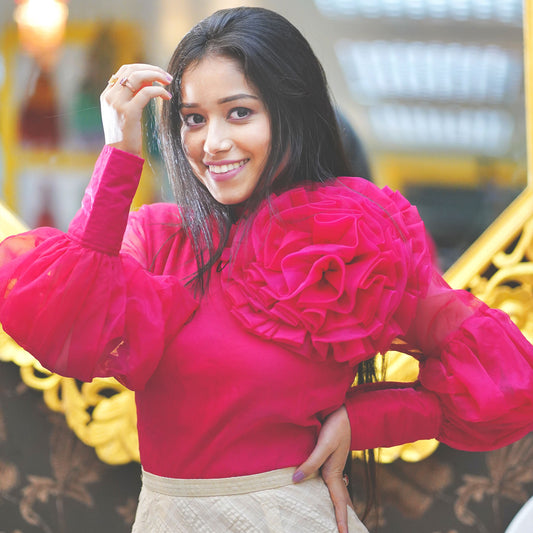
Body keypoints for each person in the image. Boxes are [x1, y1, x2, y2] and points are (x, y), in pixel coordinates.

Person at [1, 7, 532, 533]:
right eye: (193, 118)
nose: (213, 144)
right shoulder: (158, 236)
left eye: (239, 113)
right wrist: (118, 153)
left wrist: (364, 420)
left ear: (290, 113)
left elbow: (507, 378)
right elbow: (67, 318)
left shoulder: (354, 235)